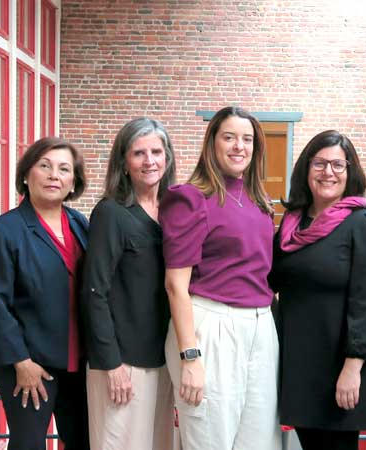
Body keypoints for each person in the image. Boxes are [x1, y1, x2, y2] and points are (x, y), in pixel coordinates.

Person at [159, 106, 281, 450]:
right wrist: (190, 356)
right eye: (229, 137)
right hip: (211, 326)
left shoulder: (259, 201)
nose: (238, 146)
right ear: (212, 142)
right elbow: (175, 285)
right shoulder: (191, 198)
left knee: (259, 443)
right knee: (210, 440)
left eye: (247, 139)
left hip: (260, 326)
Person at [269, 130, 366, 450]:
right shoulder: (293, 224)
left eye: (338, 165)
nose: (328, 172)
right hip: (299, 365)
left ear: (350, 172)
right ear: (305, 169)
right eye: (320, 163)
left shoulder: (364, 223)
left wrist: (353, 367)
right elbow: (272, 280)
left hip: (341, 368)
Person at [0, 137, 90, 450]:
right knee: (29, 443)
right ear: (27, 175)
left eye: (64, 169)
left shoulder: (80, 224)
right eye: (44, 166)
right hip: (28, 363)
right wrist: (21, 361)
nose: (54, 175)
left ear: (73, 182)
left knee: (84, 441)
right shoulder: (5, 230)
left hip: (76, 360)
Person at [81, 118, 177, 450]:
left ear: (167, 157)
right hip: (123, 363)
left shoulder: (174, 212)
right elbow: (95, 292)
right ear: (123, 162)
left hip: (164, 359)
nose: (149, 161)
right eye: (138, 153)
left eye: (156, 151)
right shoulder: (111, 213)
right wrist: (111, 363)